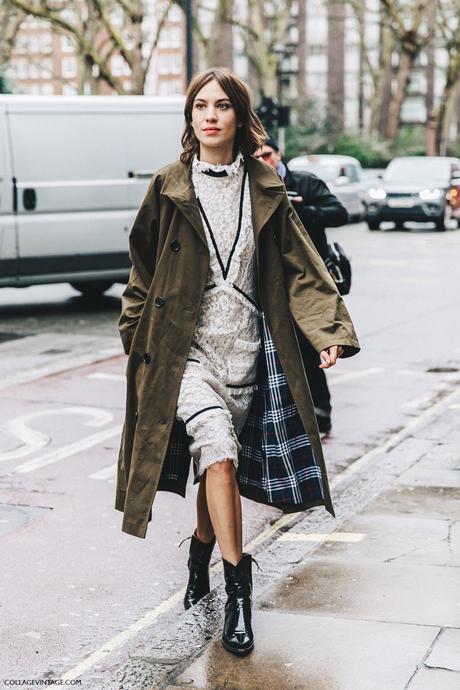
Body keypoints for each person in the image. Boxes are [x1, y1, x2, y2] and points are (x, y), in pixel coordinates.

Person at [116, 67, 360, 658]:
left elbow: (305, 267)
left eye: (222, 106)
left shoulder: (266, 186)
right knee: (219, 453)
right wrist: (135, 334)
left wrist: (327, 331)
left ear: (239, 116)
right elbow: (141, 273)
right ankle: (239, 591)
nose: (210, 116)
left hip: (248, 350)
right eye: (201, 105)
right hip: (186, 353)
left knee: (216, 467)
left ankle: (200, 549)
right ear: (190, 117)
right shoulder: (169, 185)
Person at [255, 138, 349, 435]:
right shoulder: (252, 186)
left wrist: (301, 209)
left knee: (311, 349)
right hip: (270, 280)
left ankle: (321, 415)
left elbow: (339, 213)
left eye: (267, 155)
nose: (263, 161)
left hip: (308, 278)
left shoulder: (304, 183)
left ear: (279, 154)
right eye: (256, 156)